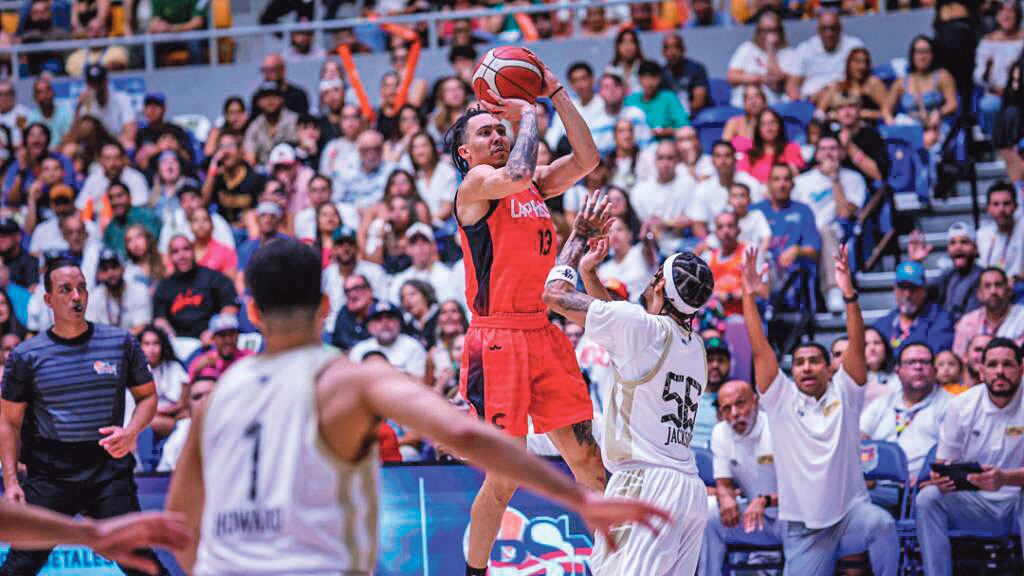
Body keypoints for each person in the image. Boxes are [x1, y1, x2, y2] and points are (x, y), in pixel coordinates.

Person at [165, 238, 670, 574]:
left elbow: (180, 527)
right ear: (325, 307)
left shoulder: (215, 400)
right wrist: (580, 498)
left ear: (251, 311)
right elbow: (468, 436)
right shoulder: (349, 382)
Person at [447, 57, 610, 576]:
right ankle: (475, 573)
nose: (497, 135)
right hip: (495, 343)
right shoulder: (475, 187)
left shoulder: (534, 184)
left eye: (500, 128)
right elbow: (515, 171)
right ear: (464, 152)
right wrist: (525, 113)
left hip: (542, 333)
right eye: (486, 131)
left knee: (588, 461)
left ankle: (621, 563)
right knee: (505, 477)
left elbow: (588, 157)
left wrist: (557, 92)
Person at [541, 188, 713, 574]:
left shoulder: (642, 328)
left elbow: (554, 296)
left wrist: (579, 236)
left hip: (646, 485)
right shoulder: (695, 347)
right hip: (687, 490)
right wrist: (589, 273)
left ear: (658, 287)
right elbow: (620, 329)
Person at [0, 259, 171, 575]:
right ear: (48, 299)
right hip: (50, 475)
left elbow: (147, 397)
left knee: (142, 563)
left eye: (81, 288)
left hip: (107, 470)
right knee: (18, 567)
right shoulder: (26, 355)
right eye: (65, 290)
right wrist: (11, 482)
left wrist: (131, 433)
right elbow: (8, 422)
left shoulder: (120, 342)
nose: (76, 297)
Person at [740, 245, 899, 575]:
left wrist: (850, 297)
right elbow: (759, 350)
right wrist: (747, 296)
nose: (807, 367)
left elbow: (856, 346)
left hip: (852, 514)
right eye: (799, 363)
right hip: (804, 527)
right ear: (792, 371)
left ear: (830, 369)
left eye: (815, 361)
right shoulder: (780, 399)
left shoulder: (847, 392)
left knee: (882, 524)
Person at [915, 337, 1024, 576]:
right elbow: (944, 463)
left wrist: (1005, 478)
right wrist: (941, 477)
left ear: (1021, 368)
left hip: (1018, 502)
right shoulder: (962, 405)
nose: (1000, 372)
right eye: (992, 365)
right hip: (975, 503)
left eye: (1007, 365)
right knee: (928, 498)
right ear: (981, 370)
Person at [699, 379, 785, 576]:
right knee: (710, 517)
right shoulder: (720, 432)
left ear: (755, 402)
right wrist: (726, 497)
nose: (735, 414)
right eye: (726, 408)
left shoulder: (776, 427)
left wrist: (765, 501)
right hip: (753, 518)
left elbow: (801, 490)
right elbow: (723, 483)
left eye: (740, 404)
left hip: (789, 517)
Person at [793, 133, 866, 311]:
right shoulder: (802, 181)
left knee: (825, 231)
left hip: (837, 235)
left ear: (841, 152)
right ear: (816, 155)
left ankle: (834, 290)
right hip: (804, 235)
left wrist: (834, 179)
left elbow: (846, 213)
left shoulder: (853, 179)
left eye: (833, 149)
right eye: (823, 149)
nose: (828, 154)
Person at [860, 342, 952, 479]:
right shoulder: (882, 404)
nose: (918, 367)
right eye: (911, 362)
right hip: (876, 484)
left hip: (922, 486)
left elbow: (954, 454)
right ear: (898, 371)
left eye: (925, 362)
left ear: (935, 370)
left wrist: (928, 479)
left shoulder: (951, 405)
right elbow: (859, 441)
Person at [153, 235, 238, 342]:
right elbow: (160, 320)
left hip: (214, 340)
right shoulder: (163, 286)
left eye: (186, 249)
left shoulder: (213, 277)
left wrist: (214, 331)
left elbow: (230, 306)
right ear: (170, 256)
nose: (182, 255)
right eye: (175, 251)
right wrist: (171, 338)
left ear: (193, 251)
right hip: (180, 344)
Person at [872, 260, 956, 358]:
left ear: (924, 289)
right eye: (902, 287)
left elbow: (931, 356)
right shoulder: (882, 324)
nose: (907, 295)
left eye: (913, 288)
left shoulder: (941, 321)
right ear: (894, 289)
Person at [906, 221, 981, 322]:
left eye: (964, 242)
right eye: (952, 243)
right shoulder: (947, 276)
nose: (958, 247)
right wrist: (914, 262)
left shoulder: (983, 277)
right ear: (948, 249)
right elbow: (917, 294)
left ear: (975, 248)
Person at [787, 11, 863, 102]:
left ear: (840, 28)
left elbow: (863, 75)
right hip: (812, 99)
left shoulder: (854, 46)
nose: (829, 33)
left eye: (833, 28)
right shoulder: (805, 49)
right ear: (818, 30)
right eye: (825, 29)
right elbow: (793, 83)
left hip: (846, 97)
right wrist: (798, 101)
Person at [726, 9, 797, 107]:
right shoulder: (747, 48)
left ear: (780, 31)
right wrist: (758, 78)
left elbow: (776, 82)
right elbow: (731, 77)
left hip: (772, 106)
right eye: (765, 30)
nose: (768, 34)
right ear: (758, 31)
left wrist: (770, 50)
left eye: (773, 30)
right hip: (741, 105)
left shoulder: (788, 53)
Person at [974, 1, 1024, 136]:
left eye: (1010, 11)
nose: (1006, 15)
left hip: (1020, 94)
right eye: (1002, 11)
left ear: (1018, 15)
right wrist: (987, 71)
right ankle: (998, 147)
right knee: (988, 105)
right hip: (996, 94)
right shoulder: (988, 42)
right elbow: (978, 77)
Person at [953, 267, 1024, 358]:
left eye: (998, 285)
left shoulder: (1022, 317)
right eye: (987, 286)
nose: (993, 291)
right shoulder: (968, 322)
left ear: (1009, 291)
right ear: (979, 294)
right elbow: (959, 360)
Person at [203, 131, 266, 233]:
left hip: (249, 232)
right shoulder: (217, 179)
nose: (226, 152)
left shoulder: (255, 178)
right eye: (222, 146)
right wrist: (213, 167)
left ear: (240, 151)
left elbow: (263, 213)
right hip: (224, 232)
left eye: (230, 146)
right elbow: (204, 203)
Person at [693, 141, 763, 229]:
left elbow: (760, 214)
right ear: (712, 161)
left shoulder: (750, 183)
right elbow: (698, 224)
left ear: (735, 159)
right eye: (718, 156)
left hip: (749, 236)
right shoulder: (703, 188)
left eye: (727, 155)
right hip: (716, 239)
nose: (723, 160)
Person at [349, 301, 427, 379]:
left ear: (399, 323)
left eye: (390, 318)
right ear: (369, 326)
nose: (385, 323)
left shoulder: (413, 347)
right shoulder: (359, 350)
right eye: (378, 319)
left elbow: (419, 382)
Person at [137, 325, 187, 438]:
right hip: (147, 417)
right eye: (147, 344)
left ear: (162, 345)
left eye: (155, 343)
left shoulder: (175, 367)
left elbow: (184, 402)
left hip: (175, 415)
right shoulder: (134, 371)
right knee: (145, 423)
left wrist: (167, 411)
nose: (152, 349)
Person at [85, 249, 151, 334]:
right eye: (105, 269)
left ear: (123, 269)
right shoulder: (94, 297)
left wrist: (115, 340)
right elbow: (91, 331)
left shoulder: (140, 291)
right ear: (99, 275)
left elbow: (141, 327)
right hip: (104, 345)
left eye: (114, 267)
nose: (111, 273)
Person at [589, 69, 653, 157]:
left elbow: (647, 148)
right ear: (600, 93)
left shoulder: (637, 115)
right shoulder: (594, 123)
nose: (612, 90)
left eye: (616, 85)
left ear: (625, 90)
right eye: (606, 87)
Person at [816, 48, 888, 122]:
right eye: (857, 62)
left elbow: (887, 114)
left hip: (866, 130)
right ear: (848, 64)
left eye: (865, 62)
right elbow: (819, 114)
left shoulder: (872, 84)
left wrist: (863, 114)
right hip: (837, 129)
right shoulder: (837, 86)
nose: (862, 67)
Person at [75, 63, 135, 151]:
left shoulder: (122, 98)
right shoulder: (87, 101)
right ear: (88, 84)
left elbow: (130, 133)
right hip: (94, 144)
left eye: (99, 82)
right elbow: (80, 133)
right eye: (92, 83)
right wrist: (78, 107)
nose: (96, 87)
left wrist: (113, 144)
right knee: (71, 149)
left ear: (106, 81)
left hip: (116, 142)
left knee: (129, 145)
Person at [624, 60, 690, 140]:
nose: (649, 82)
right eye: (645, 77)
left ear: (660, 79)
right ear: (639, 79)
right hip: (636, 146)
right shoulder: (631, 100)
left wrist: (664, 132)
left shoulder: (668, 98)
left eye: (653, 77)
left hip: (664, 145)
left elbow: (685, 126)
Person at [737, 108, 805, 184]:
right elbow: (742, 181)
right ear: (758, 129)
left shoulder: (791, 148)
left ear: (779, 126)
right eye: (764, 124)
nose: (769, 128)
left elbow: (795, 178)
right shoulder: (749, 155)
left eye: (772, 122)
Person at [977, 181, 1024, 280]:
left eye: (1006, 203)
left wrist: (1016, 279)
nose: (1001, 209)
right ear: (988, 208)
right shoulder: (982, 235)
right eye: (996, 204)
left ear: (1016, 206)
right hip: (992, 289)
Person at [243, 82, 299, 167]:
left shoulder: (294, 120)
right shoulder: (254, 126)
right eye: (265, 97)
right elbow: (249, 155)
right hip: (264, 174)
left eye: (274, 96)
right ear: (259, 102)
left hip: (292, 168)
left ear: (282, 99)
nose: (270, 100)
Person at [102, 181, 162, 257]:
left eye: (119, 196)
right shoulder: (110, 229)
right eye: (111, 198)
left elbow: (154, 243)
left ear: (130, 197)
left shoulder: (145, 215)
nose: (115, 202)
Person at [187, 313, 251, 380]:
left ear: (238, 335)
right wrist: (197, 370)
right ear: (213, 338)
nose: (228, 340)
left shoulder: (249, 357)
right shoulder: (202, 362)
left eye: (231, 334)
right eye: (222, 335)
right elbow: (187, 387)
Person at [661, 33, 710, 115]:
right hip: (670, 117)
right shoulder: (661, 73)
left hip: (695, 115)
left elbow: (699, 102)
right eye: (667, 48)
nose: (672, 52)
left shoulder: (696, 69)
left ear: (683, 49)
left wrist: (679, 113)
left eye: (676, 47)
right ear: (663, 52)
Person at [330, 273, 376, 352]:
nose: (352, 294)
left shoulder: (385, 312)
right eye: (347, 291)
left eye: (356, 288)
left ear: (370, 290)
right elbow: (336, 347)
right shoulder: (343, 313)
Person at [27, 74, 73, 145]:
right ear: (35, 97)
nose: (45, 95)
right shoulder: (32, 118)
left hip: (61, 153)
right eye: (40, 92)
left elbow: (67, 139)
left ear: (53, 93)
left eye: (48, 90)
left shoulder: (66, 112)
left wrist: (53, 154)